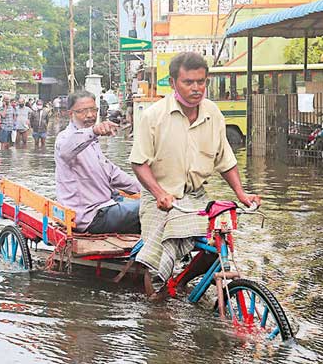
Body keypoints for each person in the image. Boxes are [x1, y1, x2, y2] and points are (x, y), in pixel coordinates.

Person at [129, 52, 261, 295]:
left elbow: (226, 160)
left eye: (201, 81)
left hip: (196, 196)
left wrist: (242, 194)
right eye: (188, 82)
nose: (196, 88)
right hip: (160, 199)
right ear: (173, 83)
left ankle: (181, 283)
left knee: (219, 244)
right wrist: (159, 194)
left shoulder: (213, 113)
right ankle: (155, 311)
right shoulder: (154, 116)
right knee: (157, 261)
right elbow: (139, 163)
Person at [55, 91, 141, 234]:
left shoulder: (93, 143)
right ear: (71, 114)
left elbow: (113, 173)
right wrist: (94, 130)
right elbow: (66, 150)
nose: (89, 115)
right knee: (151, 208)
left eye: (93, 110)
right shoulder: (64, 138)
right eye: (82, 111)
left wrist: (150, 189)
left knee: (154, 204)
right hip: (90, 216)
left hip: (106, 206)